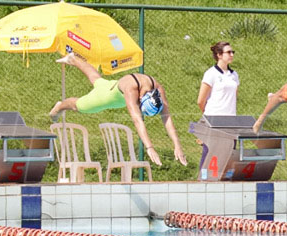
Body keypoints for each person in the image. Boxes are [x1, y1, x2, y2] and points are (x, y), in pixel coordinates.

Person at [48, 52, 187, 166]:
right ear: (140, 99)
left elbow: (166, 117)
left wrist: (177, 144)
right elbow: (138, 121)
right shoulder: (131, 90)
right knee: (80, 106)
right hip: (107, 97)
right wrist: (150, 147)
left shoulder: (157, 88)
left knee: (96, 79)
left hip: (113, 86)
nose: (139, 108)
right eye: (141, 107)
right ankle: (61, 106)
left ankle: (73, 58)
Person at [197, 41, 239, 115]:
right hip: (214, 118)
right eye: (228, 52)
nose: (232, 55)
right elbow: (200, 101)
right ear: (219, 55)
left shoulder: (234, 75)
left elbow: (234, 97)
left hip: (230, 119)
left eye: (233, 52)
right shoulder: (211, 73)